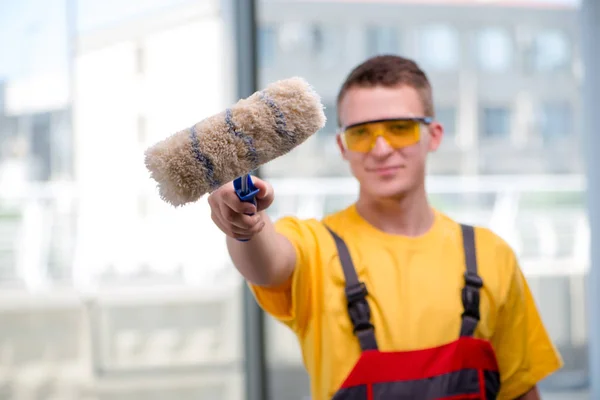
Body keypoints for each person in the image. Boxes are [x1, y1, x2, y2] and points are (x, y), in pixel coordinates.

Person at [208, 55, 563, 400]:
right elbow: (267, 264)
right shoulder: (317, 246)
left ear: (434, 135)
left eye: (399, 128)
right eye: (361, 133)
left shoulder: (490, 254)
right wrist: (244, 227)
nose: (381, 149)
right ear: (342, 146)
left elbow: (520, 390)